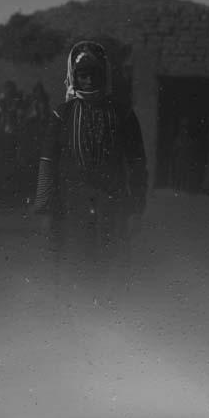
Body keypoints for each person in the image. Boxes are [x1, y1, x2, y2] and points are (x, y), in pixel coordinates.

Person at [32, 41, 148, 277]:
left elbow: (137, 163)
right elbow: (47, 163)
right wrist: (45, 209)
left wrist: (137, 207)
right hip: (73, 204)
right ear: (73, 77)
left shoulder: (122, 114)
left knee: (112, 267)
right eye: (82, 75)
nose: (88, 81)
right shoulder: (61, 114)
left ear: (103, 76)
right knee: (76, 265)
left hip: (113, 204)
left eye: (93, 74)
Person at [171, 117, 195, 194]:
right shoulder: (179, 137)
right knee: (179, 172)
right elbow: (175, 146)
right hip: (180, 156)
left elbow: (191, 145)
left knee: (185, 172)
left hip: (186, 156)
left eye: (185, 126)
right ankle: (178, 188)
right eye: (183, 126)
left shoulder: (188, 137)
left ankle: (184, 187)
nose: (184, 129)